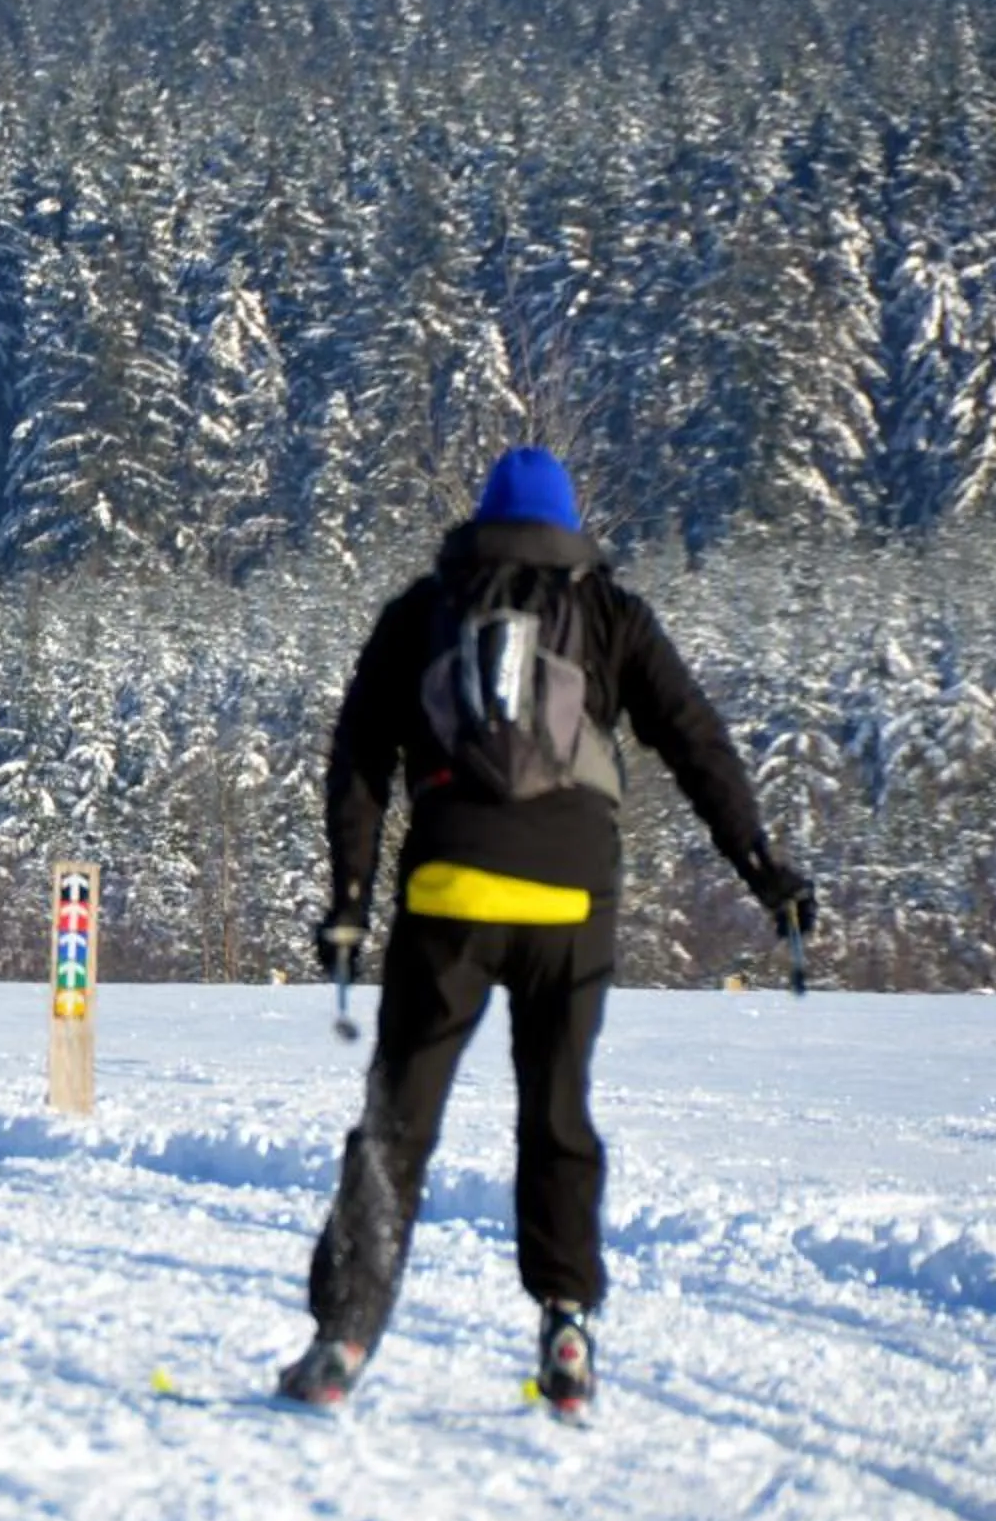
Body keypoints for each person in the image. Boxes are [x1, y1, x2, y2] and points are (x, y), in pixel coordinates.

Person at [281, 447, 814, 1416]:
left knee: (399, 1119)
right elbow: (697, 741)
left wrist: (351, 894)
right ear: (570, 526)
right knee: (557, 1111)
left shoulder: (422, 608)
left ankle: (344, 1335)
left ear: (481, 520)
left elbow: (356, 753)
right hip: (572, 900)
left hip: (449, 896)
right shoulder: (613, 613)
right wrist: (763, 867)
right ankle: (567, 1326)